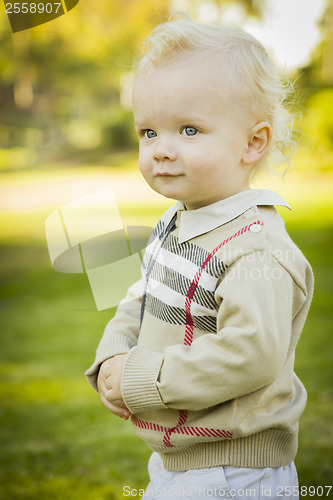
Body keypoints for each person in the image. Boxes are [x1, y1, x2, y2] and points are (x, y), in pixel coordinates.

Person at [85, 16, 314, 500]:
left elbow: (249, 355)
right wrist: (113, 356)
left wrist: (142, 378)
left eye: (189, 130)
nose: (161, 151)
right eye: (148, 132)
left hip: (233, 471)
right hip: (179, 462)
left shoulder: (256, 247)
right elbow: (144, 295)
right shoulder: (180, 221)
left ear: (254, 142)